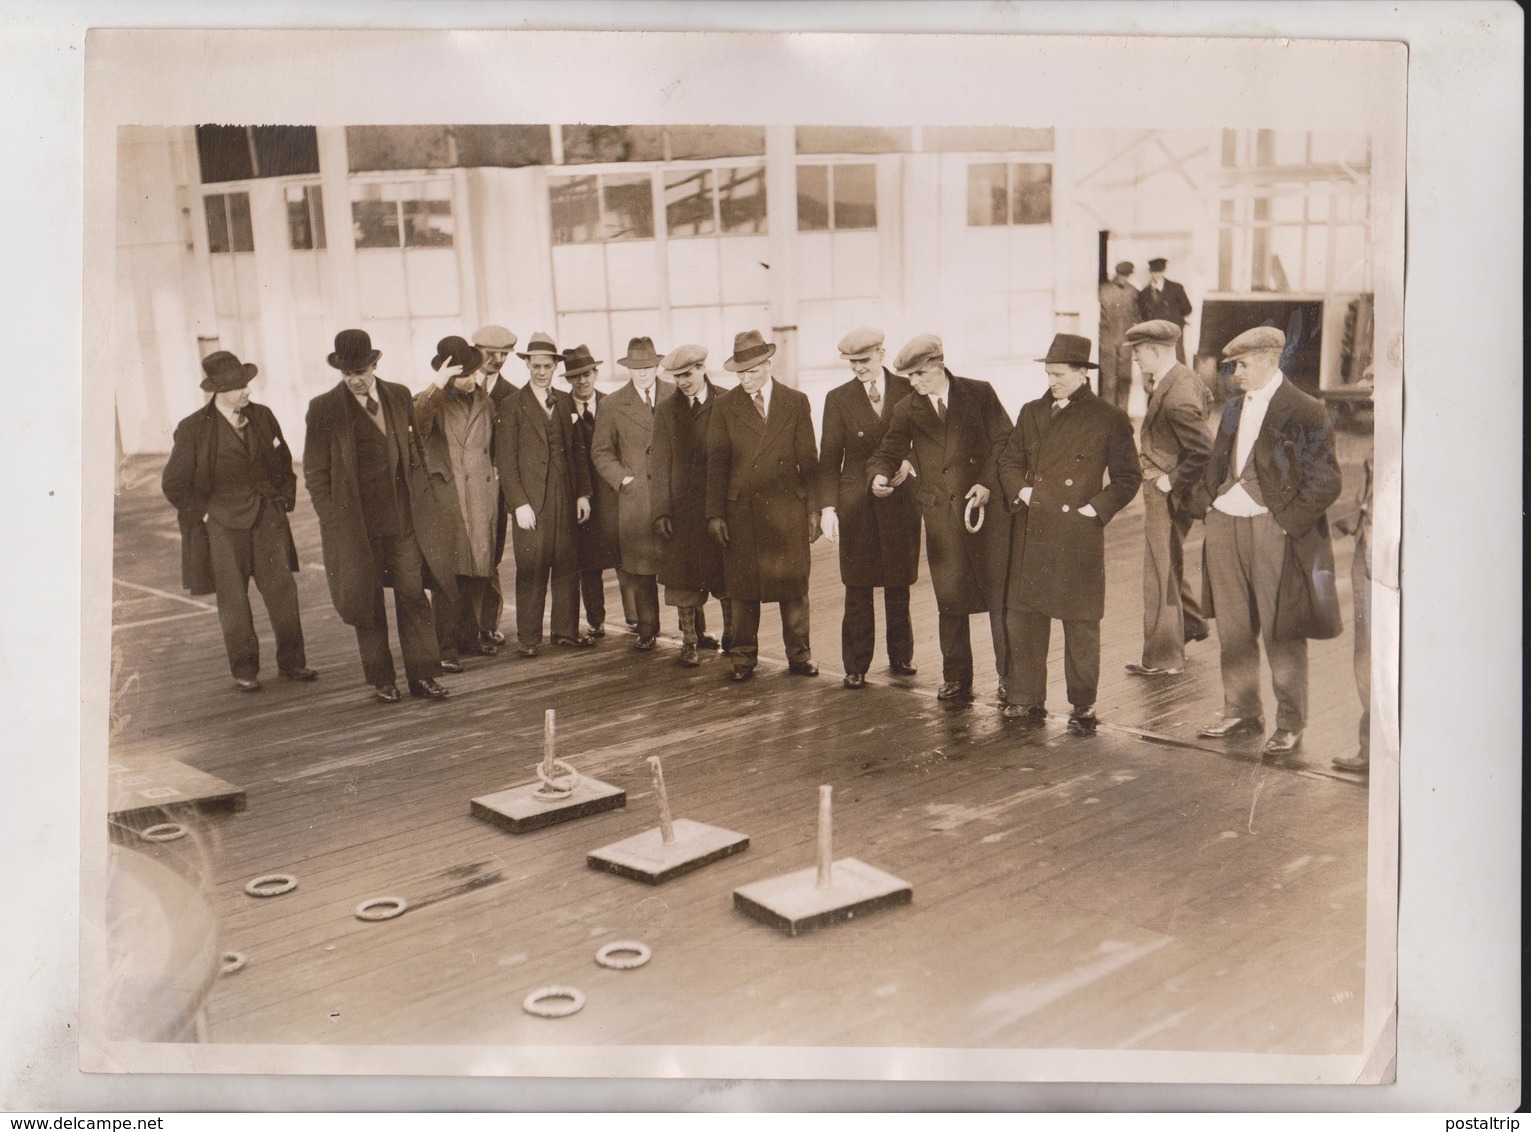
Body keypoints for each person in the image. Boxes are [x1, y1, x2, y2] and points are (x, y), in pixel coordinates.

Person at [1187, 325, 1343, 758]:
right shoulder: (1235, 408)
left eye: (1243, 364)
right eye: (1233, 365)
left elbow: (1327, 481)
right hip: (1225, 526)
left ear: (1271, 360)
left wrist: (1284, 521)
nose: (1235, 372)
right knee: (1234, 625)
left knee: (1281, 629)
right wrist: (1208, 504)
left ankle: (1290, 721)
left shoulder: (1307, 409)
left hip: (1272, 529)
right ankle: (1241, 710)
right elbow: (1217, 464)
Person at [997, 334, 1142, 733]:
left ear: (1082, 374)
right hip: (1035, 527)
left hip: (1077, 531)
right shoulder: (1031, 412)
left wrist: (1094, 509)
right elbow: (1008, 461)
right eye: (1048, 373)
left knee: (1080, 622)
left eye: (1059, 373)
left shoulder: (1108, 418)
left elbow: (1129, 478)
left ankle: (1082, 703)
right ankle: (1026, 697)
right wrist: (1023, 491)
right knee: (1026, 616)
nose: (1052, 381)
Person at [304, 329, 453, 702]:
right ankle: (382, 680)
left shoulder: (399, 395)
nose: (354, 379)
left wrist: (425, 501)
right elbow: (315, 471)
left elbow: (415, 451)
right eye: (347, 372)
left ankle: (423, 676)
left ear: (375, 364)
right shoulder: (323, 409)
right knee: (367, 602)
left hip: (403, 521)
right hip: (356, 528)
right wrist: (331, 519)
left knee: (412, 594)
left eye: (361, 370)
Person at [867, 334, 1013, 703]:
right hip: (940, 517)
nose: (913, 383)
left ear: (939, 365)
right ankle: (956, 677)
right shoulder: (906, 409)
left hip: (983, 511)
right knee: (950, 600)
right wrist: (878, 475)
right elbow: (888, 450)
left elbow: (1005, 443)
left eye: (918, 375)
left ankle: (1010, 678)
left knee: (999, 600)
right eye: (909, 377)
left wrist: (987, 484)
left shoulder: (979, 394)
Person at [161, 350, 315, 693]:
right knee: (233, 601)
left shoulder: (262, 417)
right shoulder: (192, 429)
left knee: (282, 593)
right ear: (218, 390)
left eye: (246, 384)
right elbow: (173, 483)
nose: (247, 391)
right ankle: (245, 671)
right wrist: (203, 513)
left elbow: (282, 457)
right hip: (223, 528)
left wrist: (282, 499)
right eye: (238, 386)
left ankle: (293, 663)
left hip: (267, 521)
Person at [705, 330, 821, 682]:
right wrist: (714, 514)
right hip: (742, 513)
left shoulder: (796, 402)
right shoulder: (724, 406)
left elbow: (809, 461)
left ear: (768, 364)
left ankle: (799, 655)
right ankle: (742, 657)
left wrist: (815, 509)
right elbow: (716, 464)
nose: (745, 379)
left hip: (787, 512)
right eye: (740, 373)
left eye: (752, 371)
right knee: (742, 590)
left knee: (794, 587)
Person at [817, 326, 921, 689]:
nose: (858, 368)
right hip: (857, 503)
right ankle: (856, 664)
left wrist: (909, 463)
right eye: (851, 363)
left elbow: (925, 440)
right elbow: (828, 459)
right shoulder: (838, 398)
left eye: (863, 360)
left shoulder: (909, 389)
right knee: (857, 586)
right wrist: (828, 508)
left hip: (901, 498)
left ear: (881, 352)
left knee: (898, 583)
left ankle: (901, 656)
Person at [493, 331, 595, 657]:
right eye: (535, 365)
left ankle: (565, 631)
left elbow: (577, 453)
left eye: (547, 366)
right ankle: (528, 639)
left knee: (567, 565)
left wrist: (582, 494)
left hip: (564, 499)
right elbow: (506, 462)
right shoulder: (511, 406)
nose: (541, 371)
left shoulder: (565, 402)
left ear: (555, 366)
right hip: (530, 504)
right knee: (531, 568)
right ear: (527, 365)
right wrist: (519, 503)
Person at [1122, 319, 1213, 678]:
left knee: (1158, 570)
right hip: (1177, 491)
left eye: (1139, 352)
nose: (1135, 359)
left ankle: (1162, 657)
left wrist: (1171, 481)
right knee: (1171, 559)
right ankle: (1189, 626)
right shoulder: (1182, 378)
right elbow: (1206, 401)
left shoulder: (1175, 395)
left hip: (1168, 492)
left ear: (1157, 351)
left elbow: (1203, 449)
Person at [415, 335, 500, 670]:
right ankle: (445, 648)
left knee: (477, 571)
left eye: (472, 373)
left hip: (480, 494)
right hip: (449, 496)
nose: (469, 379)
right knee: (449, 575)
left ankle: (470, 638)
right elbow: (416, 423)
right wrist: (435, 387)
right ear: (447, 374)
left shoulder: (484, 401)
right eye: (461, 374)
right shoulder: (433, 402)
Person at [591, 337, 675, 651]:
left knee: (681, 568)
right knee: (640, 569)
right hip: (636, 498)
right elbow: (600, 452)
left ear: (657, 365)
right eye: (636, 367)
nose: (642, 373)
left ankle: (692, 633)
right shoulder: (612, 405)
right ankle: (647, 629)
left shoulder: (675, 394)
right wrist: (623, 479)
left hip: (671, 496)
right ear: (628, 368)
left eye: (648, 366)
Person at [650, 344, 729, 667]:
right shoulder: (667, 410)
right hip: (682, 511)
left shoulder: (726, 401)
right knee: (684, 581)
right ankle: (689, 640)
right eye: (677, 376)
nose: (682, 381)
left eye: (688, 374)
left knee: (724, 577)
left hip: (718, 506)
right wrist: (660, 510)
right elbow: (660, 461)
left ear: (702, 368)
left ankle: (733, 637)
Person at [564, 344, 620, 639]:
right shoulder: (561, 408)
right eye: (574, 377)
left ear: (595, 373)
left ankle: (637, 618)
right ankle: (596, 619)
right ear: (567, 380)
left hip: (612, 495)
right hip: (580, 497)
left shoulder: (613, 404)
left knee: (623, 557)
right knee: (587, 562)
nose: (582, 381)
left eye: (586, 374)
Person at [470, 324, 519, 645]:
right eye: (492, 353)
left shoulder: (512, 395)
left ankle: (487, 624)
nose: (498, 360)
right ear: (476, 351)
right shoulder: (454, 387)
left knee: (491, 557)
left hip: (496, 492)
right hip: (464, 490)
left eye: (504, 354)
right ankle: (464, 626)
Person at [1331, 439, 1374, 775]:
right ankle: (1371, 746)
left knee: (1374, 651)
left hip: (1387, 555)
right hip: (1368, 551)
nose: (1371, 391)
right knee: (1367, 651)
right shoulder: (1382, 439)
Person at [1097, 261, 1140, 412]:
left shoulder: (1104, 290)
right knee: (1113, 380)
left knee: (1120, 379)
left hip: (1116, 340)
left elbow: (1138, 317)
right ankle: (1115, 415)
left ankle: (1118, 415)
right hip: (1113, 341)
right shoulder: (1131, 291)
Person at [1138, 257, 1194, 362]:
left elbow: (1187, 308)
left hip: (1173, 330)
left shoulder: (1176, 288)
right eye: (1154, 272)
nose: (1156, 275)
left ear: (1163, 271)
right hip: (1155, 331)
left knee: (1176, 358)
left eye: (1159, 271)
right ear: (1150, 272)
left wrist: (1175, 316)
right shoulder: (1144, 292)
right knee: (1156, 359)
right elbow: (1143, 314)